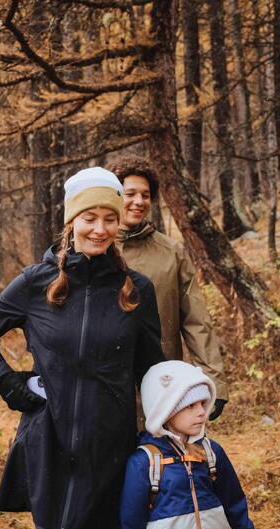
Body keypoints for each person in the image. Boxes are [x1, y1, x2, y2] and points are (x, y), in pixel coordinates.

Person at [0, 167, 165, 529]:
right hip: (48, 442)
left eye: (109, 219)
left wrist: (175, 421)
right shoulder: (35, 282)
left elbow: (152, 371)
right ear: (71, 221)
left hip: (110, 447)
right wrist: (10, 384)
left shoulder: (136, 290)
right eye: (89, 218)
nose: (100, 230)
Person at [111, 156, 230, 420]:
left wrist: (214, 380)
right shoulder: (95, 248)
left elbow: (196, 319)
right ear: (113, 196)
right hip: (104, 387)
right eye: (130, 193)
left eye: (145, 195)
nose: (139, 202)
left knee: (157, 458)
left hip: (160, 382)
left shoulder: (171, 252)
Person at [120, 360, 255, 529]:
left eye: (202, 404)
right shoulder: (144, 463)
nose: (201, 412)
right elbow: (131, 524)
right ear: (166, 412)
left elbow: (235, 507)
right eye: (191, 406)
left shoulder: (212, 453)